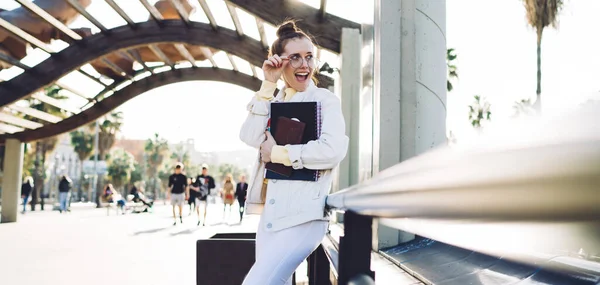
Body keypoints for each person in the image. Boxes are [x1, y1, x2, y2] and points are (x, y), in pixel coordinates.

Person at [239, 20, 349, 285]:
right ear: (279, 62)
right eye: (296, 57)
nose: (305, 65)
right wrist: (268, 85)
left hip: (304, 217)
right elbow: (250, 136)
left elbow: (332, 150)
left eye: (309, 57)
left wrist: (277, 153)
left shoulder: (324, 101)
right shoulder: (274, 100)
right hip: (271, 219)